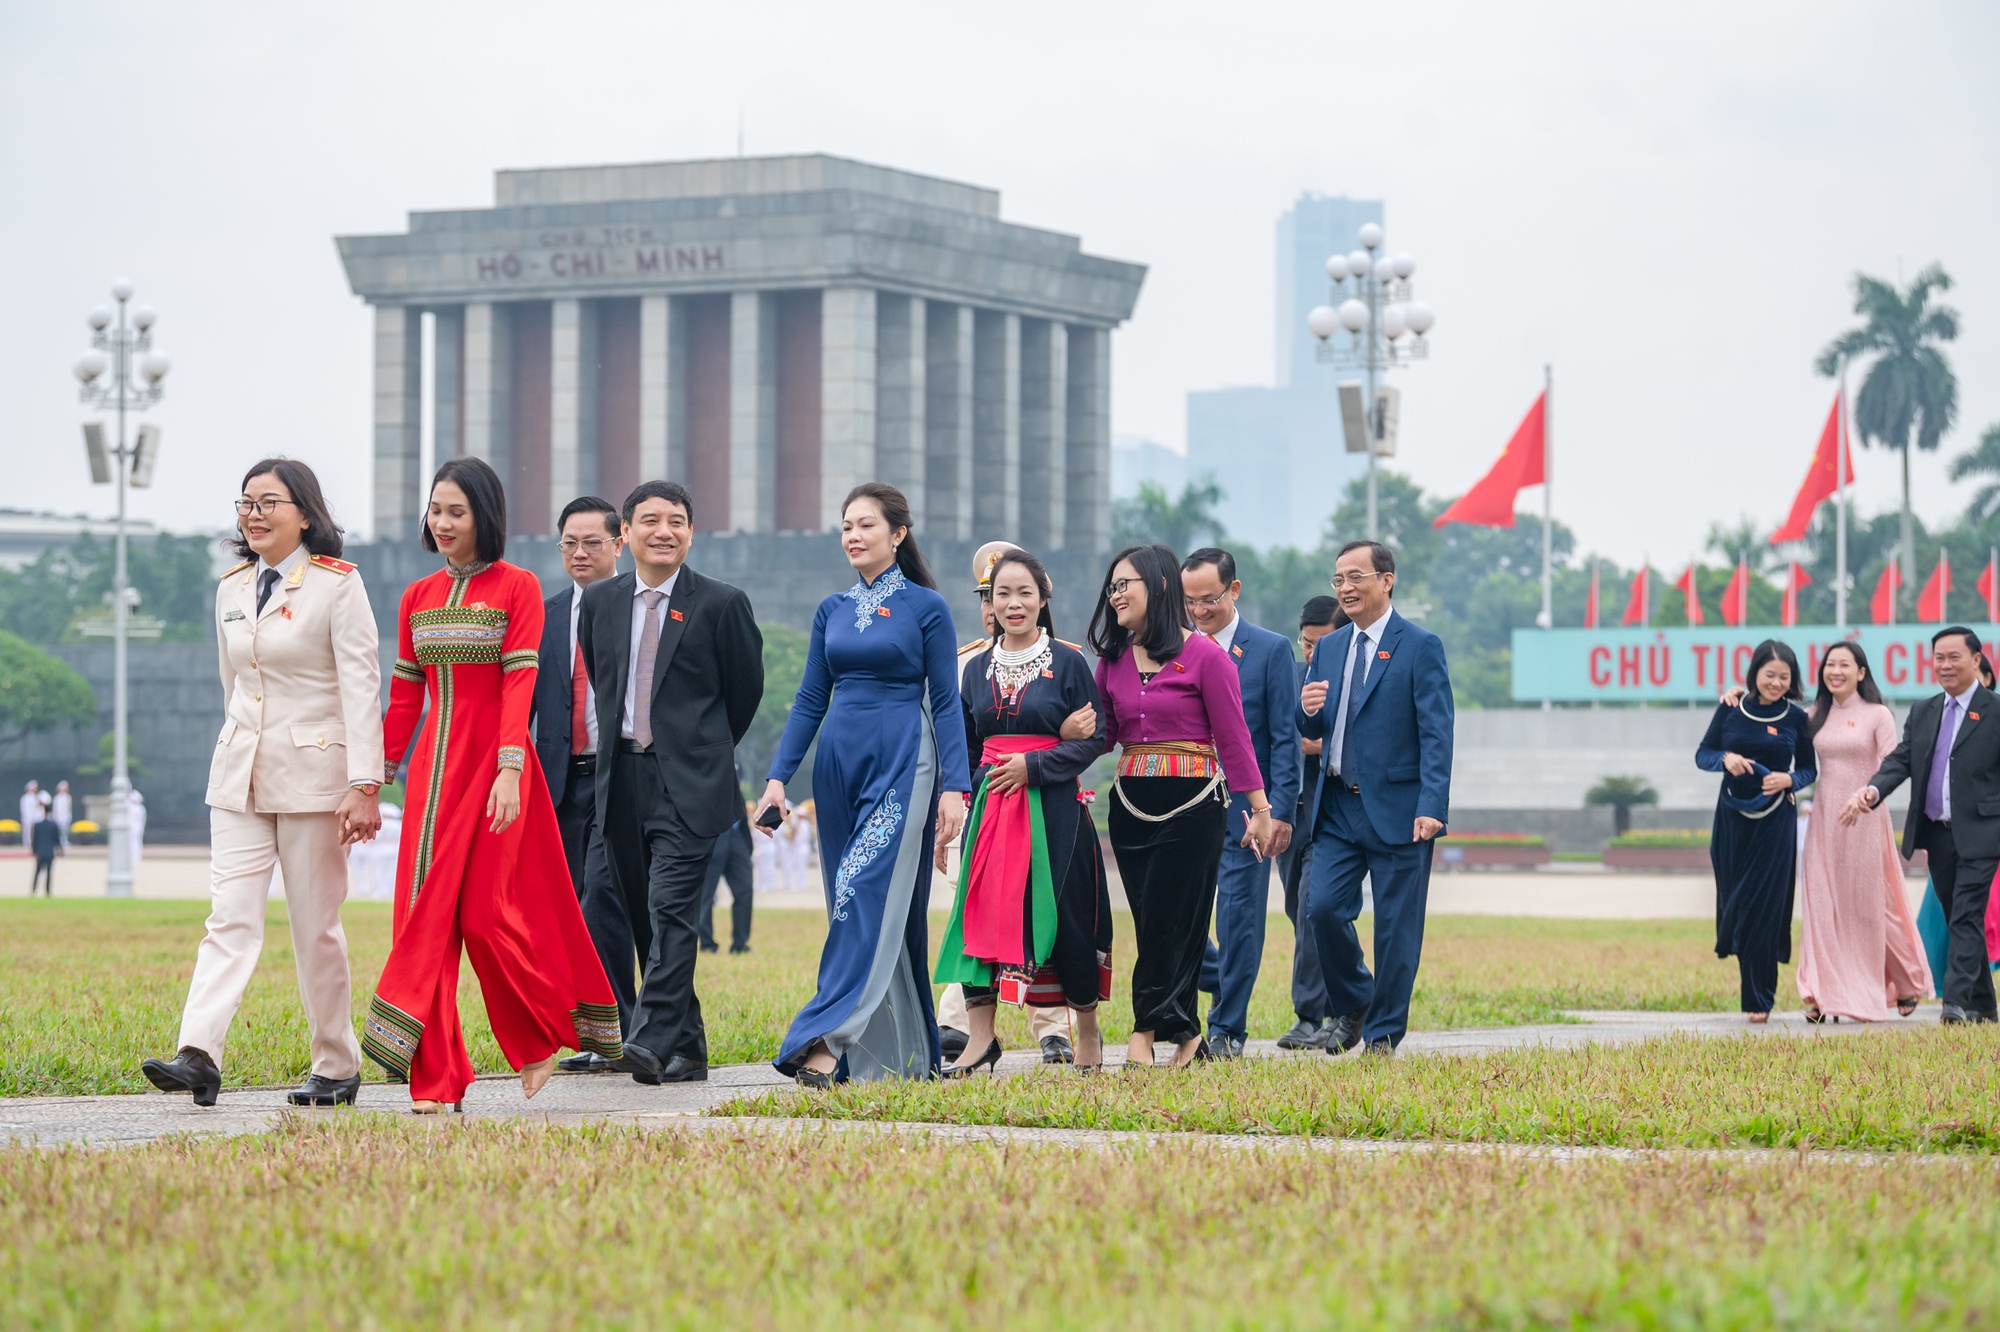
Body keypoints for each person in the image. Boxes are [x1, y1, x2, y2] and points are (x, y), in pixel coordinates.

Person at [367, 457, 624, 1112]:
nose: (443, 522)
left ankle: (539, 1037)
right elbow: (403, 698)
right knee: (421, 916)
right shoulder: (416, 597)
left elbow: (518, 685)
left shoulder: (518, 588)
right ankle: (436, 1079)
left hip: (495, 772)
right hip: (431, 777)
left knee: (484, 916)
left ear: (485, 516)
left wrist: (511, 767)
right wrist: (372, 782)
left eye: (457, 510)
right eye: (436, 510)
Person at [142, 458, 385, 1110]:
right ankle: (199, 1053)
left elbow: (363, 688)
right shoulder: (230, 587)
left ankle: (336, 1064)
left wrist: (365, 783)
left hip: (314, 780)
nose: (253, 514)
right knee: (229, 919)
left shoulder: (337, 584)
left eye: (268, 502)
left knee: (315, 929)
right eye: (245, 502)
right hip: (238, 778)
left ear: (304, 513)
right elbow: (236, 691)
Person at [755, 482, 971, 1087]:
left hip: (905, 759)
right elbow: (809, 700)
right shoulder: (830, 609)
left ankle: (823, 1041)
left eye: (866, 525)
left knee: (861, 887)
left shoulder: (926, 607)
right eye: (846, 525)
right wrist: (777, 780)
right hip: (837, 764)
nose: (852, 535)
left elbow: (947, 702)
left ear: (898, 535)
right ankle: (902, 1059)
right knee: (860, 904)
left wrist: (956, 785)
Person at [579, 480, 764, 1085]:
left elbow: (744, 694)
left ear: (691, 532)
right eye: (651, 520)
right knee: (641, 915)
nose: (665, 530)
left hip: (689, 781)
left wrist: (699, 748)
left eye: (677, 520)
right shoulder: (602, 604)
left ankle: (650, 1036)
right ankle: (690, 1050)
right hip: (622, 778)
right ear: (625, 533)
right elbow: (605, 686)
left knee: (672, 911)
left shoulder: (720, 602)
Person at [1092, 544, 1273, 1069]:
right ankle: (1189, 1037)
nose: (1117, 594)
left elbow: (1235, 739)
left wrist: (1259, 809)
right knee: (1154, 924)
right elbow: (1102, 737)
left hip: (1194, 807)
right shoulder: (1112, 661)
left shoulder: (1208, 657)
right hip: (1130, 809)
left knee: (1176, 920)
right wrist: (1058, 737)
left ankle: (1143, 1033)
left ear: (1160, 586)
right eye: (1113, 586)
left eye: (1127, 583)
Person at [936, 547, 1111, 1074]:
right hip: (992, 811)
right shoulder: (975, 668)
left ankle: (1085, 1030)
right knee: (977, 919)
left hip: (1056, 809)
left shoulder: (1068, 662)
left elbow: (1096, 738)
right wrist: (964, 800)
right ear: (988, 602)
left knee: (1069, 919)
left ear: (1043, 599)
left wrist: (1033, 768)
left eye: (1024, 593)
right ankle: (981, 1039)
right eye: (1001, 594)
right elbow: (966, 746)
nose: (1013, 604)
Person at [1298, 540, 1454, 1056]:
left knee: (1395, 930)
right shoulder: (1330, 647)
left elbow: (1437, 731)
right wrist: (1305, 708)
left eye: (1356, 576)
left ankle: (1384, 1035)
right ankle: (1356, 1001)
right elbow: (1314, 724)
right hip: (1337, 805)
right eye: (1338, 579)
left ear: (1386, 580)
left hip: (1400, 809)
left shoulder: (1420, 645)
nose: (1344, 587)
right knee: (1320, 910)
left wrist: (1433, 804)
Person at [1840, 626, 2000, 1023]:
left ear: (1976, 660)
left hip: (1983, 833)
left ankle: (1957, 1004)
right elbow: (1900, 760)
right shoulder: (1924, 711)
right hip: (1938, 834)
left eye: (1954, 657)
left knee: (1965, 914)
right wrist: (1872, 791)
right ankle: (1984, 1003)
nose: (1945, 665)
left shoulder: (1994, 712)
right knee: (1956, 915)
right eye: (1938, 658)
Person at [1183, 547, 1300, 1059]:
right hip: (1183, 809)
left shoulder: (1270, 651)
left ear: (1234, 590)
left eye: (1208, 599)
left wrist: (1278, 812)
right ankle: (1218, 979)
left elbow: (1282, 739)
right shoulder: (1177, 648)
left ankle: (1227, 1029)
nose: (1199, 611)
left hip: (1244, 814)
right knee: (1177, 923)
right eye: (1188, 602)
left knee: (1238, 922)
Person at [530, 495, 626, 1074]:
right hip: (560, 782)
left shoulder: (636, 607)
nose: (581, 552)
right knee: (568, 910)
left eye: (593, 542)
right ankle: (594, 1033)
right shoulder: (544, 614)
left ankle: (621, 1028)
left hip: (620, 780)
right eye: (570, 543)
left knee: (601, 899)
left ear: (619, 544)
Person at [1792, 643, 1931, 1021]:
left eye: (1844, 665)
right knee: (1822, 906)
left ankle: (1903, 980)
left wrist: (1865, 796)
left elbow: (1894, 767)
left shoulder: (1877, 715)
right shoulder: (1814, 715)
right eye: (1829, 665)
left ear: (1861, 672)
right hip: (1824, 822)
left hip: (1865, 820)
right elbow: (1771, 709)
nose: (1835, 671)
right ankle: (1824, 992)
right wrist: (1737, 699)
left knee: (1870, 908)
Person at [1694, 639, 1814, 1020]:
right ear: (1755, 674)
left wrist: (1789, 781)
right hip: (1731, 818)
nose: (1776, 683)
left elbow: (1809, 770)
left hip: (1776, 821)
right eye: (1769, 675)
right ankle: (1751, 982)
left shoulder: (1797, 718)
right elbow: (1703, 754)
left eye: (1784, 677)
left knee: (1763, 904)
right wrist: (1724, 759)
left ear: (1792, 680)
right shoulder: (1731, 707)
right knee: (1736, 901)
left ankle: (1758, 998)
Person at [1275, 596, 1345, 1050]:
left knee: (1311, 907)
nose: (1312, 653)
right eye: (1306, 643)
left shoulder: (1351, 678)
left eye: (1322, 644)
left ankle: (1308, 1016)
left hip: (1331, 812)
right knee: (1297, 912)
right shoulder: (1290, 678)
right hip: (1289, 812)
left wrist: (1318, 747)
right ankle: (1344, 1002)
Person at [698, 790, 756, 954]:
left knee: (745, 889)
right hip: (712, 835)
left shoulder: (734, 767)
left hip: (737, 835)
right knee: (706, 893)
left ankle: (740, 942)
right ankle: (707, 943)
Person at [30, 806, 60, 896]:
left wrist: (34, 852)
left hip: (40, 852)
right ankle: (47, 891)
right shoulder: (53, 825)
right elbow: (56, 839)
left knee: (37, 872)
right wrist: (60, 850)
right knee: (49, 873)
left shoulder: (38, 825)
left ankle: (34, 890)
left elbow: (35, 840)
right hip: (49, 852)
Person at [128, 789, 146, 866]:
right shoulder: (128, 806)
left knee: (135, 844)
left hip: (136, 829)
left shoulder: (139, 808)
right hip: (128, 829)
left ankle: (136, 859)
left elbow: (141, 820)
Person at [51, 780, 71, 848]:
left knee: (64, 830)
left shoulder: (68, 797)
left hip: (65, 816)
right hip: (58, 816)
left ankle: (64, 842)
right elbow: (55, 809)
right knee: (58, 830)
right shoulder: (57, 798)